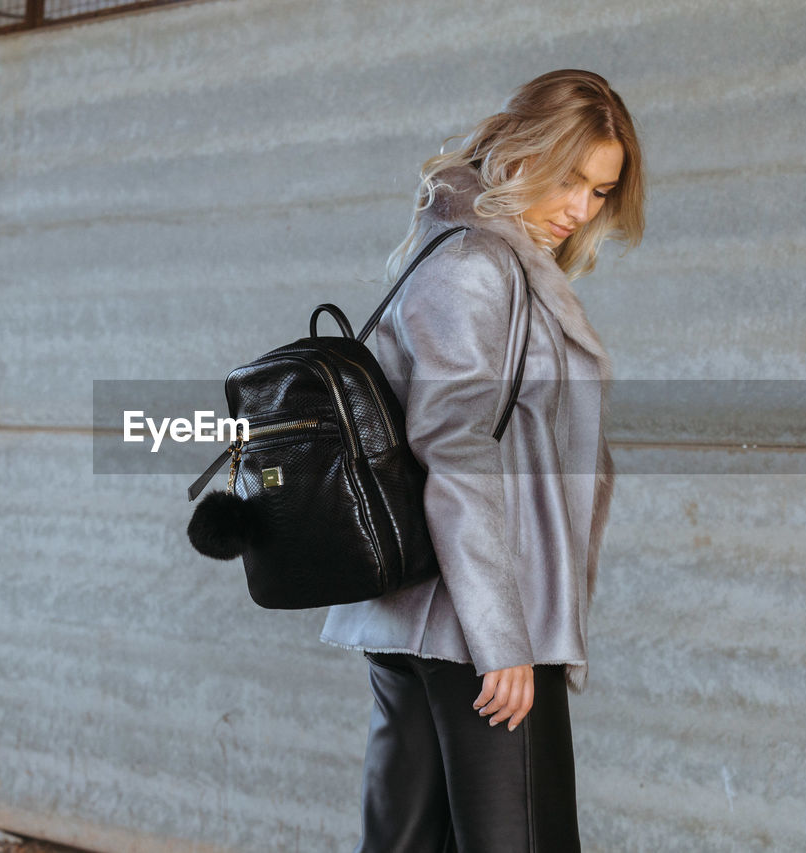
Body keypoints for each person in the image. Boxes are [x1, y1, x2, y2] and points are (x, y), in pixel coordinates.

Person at [319, 69, 646, 852]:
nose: (580, 208)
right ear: (521, 151)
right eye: (570, 178)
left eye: (600, 192)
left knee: (403, 842)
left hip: (424, 620)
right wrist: (505, 638)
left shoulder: (477, 258)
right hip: (477, 629)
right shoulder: (477, 267)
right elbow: (457, 451)